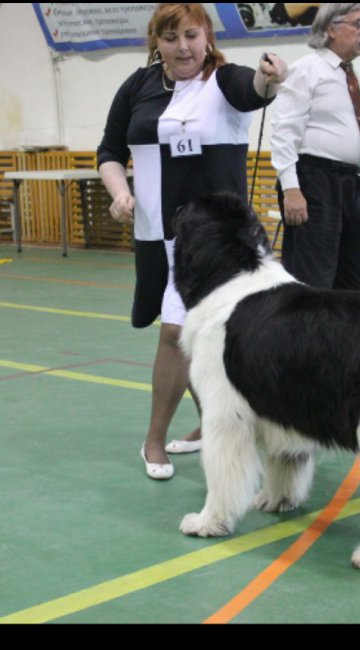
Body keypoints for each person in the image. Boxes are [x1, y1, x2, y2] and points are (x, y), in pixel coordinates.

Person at [98, 2, 287, 479]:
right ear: (156, 43)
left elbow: (255, 90)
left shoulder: (224, 81)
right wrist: (120, 193)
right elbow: (110, 151)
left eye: (191, 36)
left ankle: (155, 441)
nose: (182, 47)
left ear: (207, 37)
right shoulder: (138, 87)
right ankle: (208, 427)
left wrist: (270, 77)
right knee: (195, 335)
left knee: (179, 332)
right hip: (157, 234)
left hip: (218, 239)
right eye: (170, 38)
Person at [270, 3, 360, 291]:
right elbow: (284, 131)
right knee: (312, 281)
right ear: (331, 29)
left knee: (353, 284)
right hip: (316, 182)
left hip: (354, 184)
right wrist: (291, 188)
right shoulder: (307, 69)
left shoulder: (352, 77)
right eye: (358, 24)